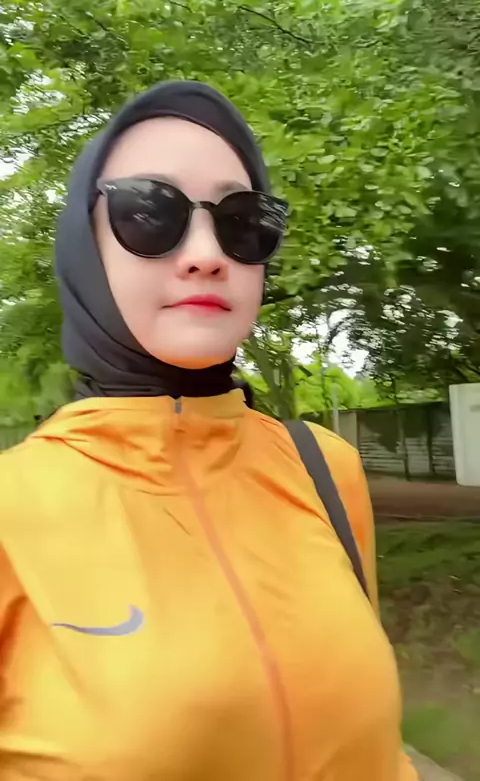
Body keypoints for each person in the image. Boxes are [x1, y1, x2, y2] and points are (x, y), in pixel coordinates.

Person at [0, 81, 417, 780]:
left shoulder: (325, 470)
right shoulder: (14, 508)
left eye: (241, 220)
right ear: (84, 247)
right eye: (149, 212)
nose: (206, 253)